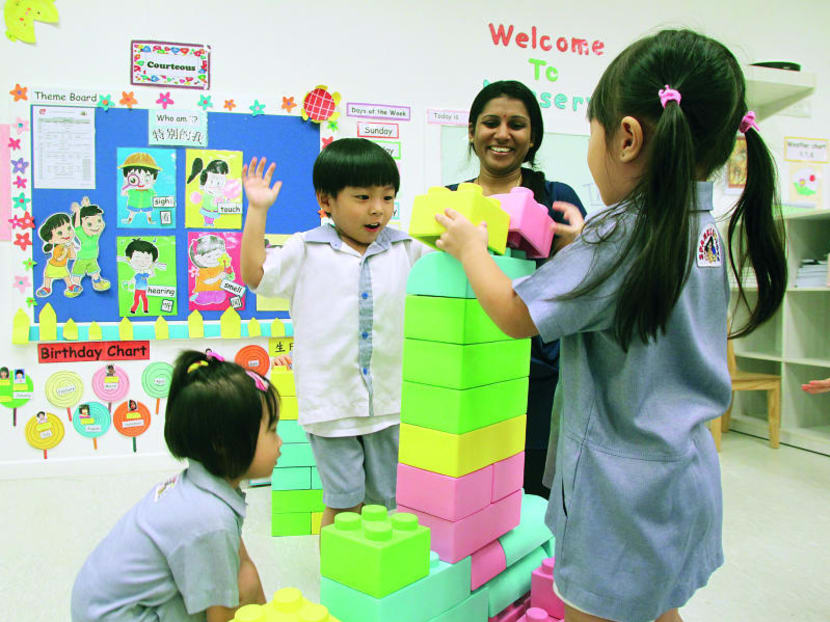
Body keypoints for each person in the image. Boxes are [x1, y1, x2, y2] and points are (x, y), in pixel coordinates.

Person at [433, 29, 787, 622]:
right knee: (653, 605)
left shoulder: (619, 234)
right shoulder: (697, 225)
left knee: (595, 610)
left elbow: (518, 316)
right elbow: (629, 282)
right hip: (685, 472)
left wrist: (472, 249)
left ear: (626, 138)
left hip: (619, 492)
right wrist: (582, 248)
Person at [241, 138, 429, 530]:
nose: (378, 208)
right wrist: (257, 211)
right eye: (362, 196)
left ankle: (373, 585)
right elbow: (255, 276)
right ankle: (338, 588)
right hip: (331, 407)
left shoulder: (407, 248)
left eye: (388, 197)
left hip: (390, 404)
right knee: (344, 508)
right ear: (326, 201)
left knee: (385, 509)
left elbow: (453, 271)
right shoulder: (305, 249)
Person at [448, 79, 586, 498]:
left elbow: (587, 284)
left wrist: (574, 251)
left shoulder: (557, 199)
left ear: (533, 138)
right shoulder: (451, 201)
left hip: (540, 376)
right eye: (491, 122)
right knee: (470, 488)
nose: (502, 133)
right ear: (472, 132)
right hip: (466, 367)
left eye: (517, 124)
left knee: (532, 494)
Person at [71, 350, 281, 622]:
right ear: (224, 443)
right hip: (115, 615)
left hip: (101, 600)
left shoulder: (204, 489)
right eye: (272, 430)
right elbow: (222, 615)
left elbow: (245, 569)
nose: (280, 442)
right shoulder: (209, 518)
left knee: (242, 582)